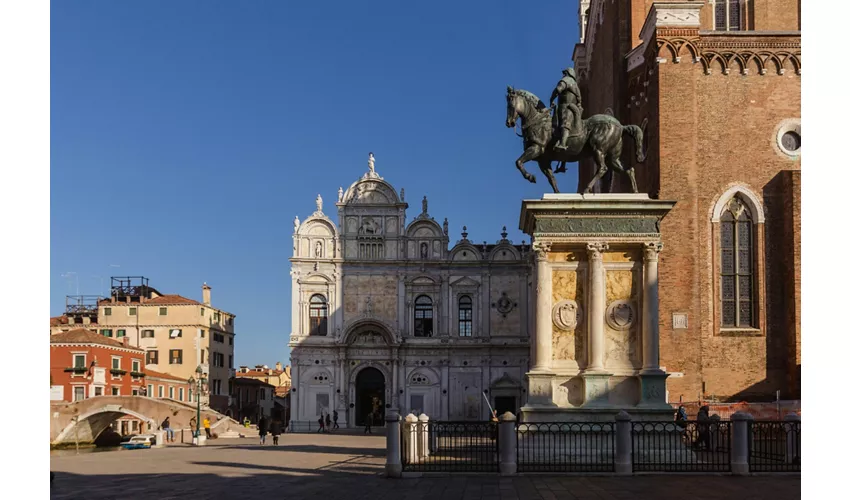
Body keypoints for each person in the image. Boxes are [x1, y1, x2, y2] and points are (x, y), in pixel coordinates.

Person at [549, 67, 584, 151]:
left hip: (566, 107)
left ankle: (562, 144)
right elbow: (579, 100)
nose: (563, 75)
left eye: (565, 73)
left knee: (565, 124)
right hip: (572, 108)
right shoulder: (575, 85)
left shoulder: (567, 80)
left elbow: (558, 89)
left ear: (568, 73)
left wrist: (551, 99)